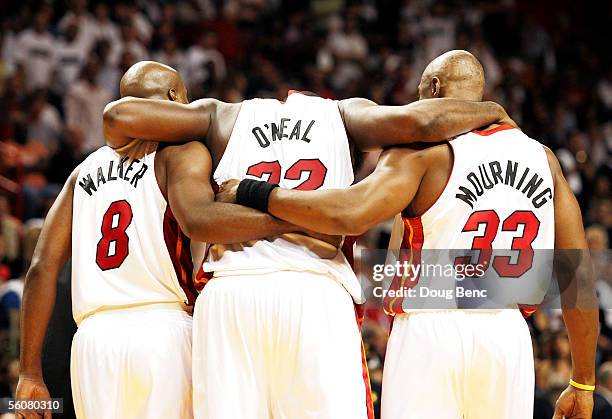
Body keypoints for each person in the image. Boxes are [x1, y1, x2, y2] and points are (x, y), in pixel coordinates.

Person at [103, 59, 514, 419]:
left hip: (232, 293)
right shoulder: (345, 114)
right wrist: (491, 110)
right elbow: (422, 123)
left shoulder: (221, 115)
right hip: (317, 291)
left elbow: (120, 118)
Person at [216, 50, 599, 419]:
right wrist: (583, 382)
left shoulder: (422, 152)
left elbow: (350, 214)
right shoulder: (543, 158)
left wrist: (255, 191)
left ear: (433, 89)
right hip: (506, 336)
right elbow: (578, 278)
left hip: (430, 330)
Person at [15, 62, 307, 419]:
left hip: (92, 342)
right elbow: (204, 221)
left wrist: (29, 373)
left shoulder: (83, 170)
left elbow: (41, 267)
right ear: (174, 96)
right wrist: (293, 218)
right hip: (164, 332)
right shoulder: (180, 153)